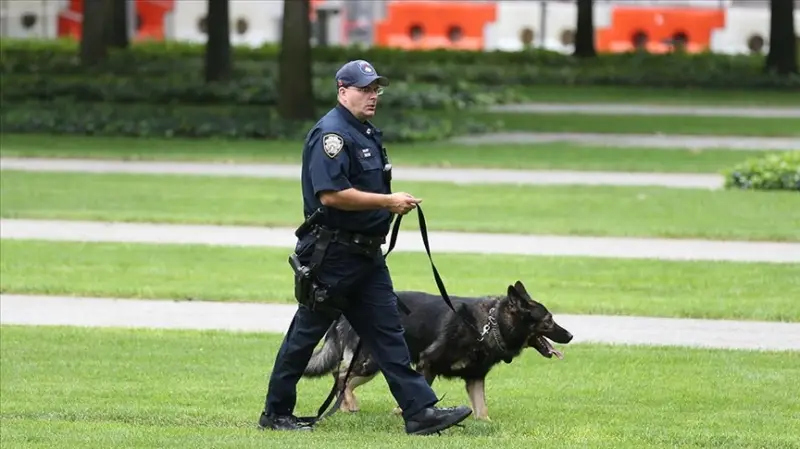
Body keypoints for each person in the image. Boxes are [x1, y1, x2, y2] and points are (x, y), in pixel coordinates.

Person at [257, 59, 472, 435]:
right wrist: (388, 203)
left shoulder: (365, 132)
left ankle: (419, 412)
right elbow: (331, 195)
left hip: (366, 258)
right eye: (364, 89)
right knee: (305, 336)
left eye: (376, 89)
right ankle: (276, 413)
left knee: (389, 334)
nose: (372, 96)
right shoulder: (332, 135)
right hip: (334, 258)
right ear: (343, 91)